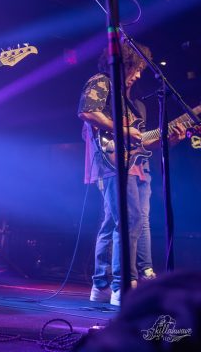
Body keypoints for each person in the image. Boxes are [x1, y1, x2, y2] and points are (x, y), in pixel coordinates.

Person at [78, 41, 186, 307]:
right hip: (109, 162)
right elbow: (87, 112)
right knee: (130, 219)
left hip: (129, 164)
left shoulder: (135, 105)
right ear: (123, 64)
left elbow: (142, 144)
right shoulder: (101, 81)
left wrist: (170, 140)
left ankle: (101, 285)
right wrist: (123, 130)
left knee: (113, 223)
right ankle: (123, 285)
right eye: (135, 68)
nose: (138, 75)